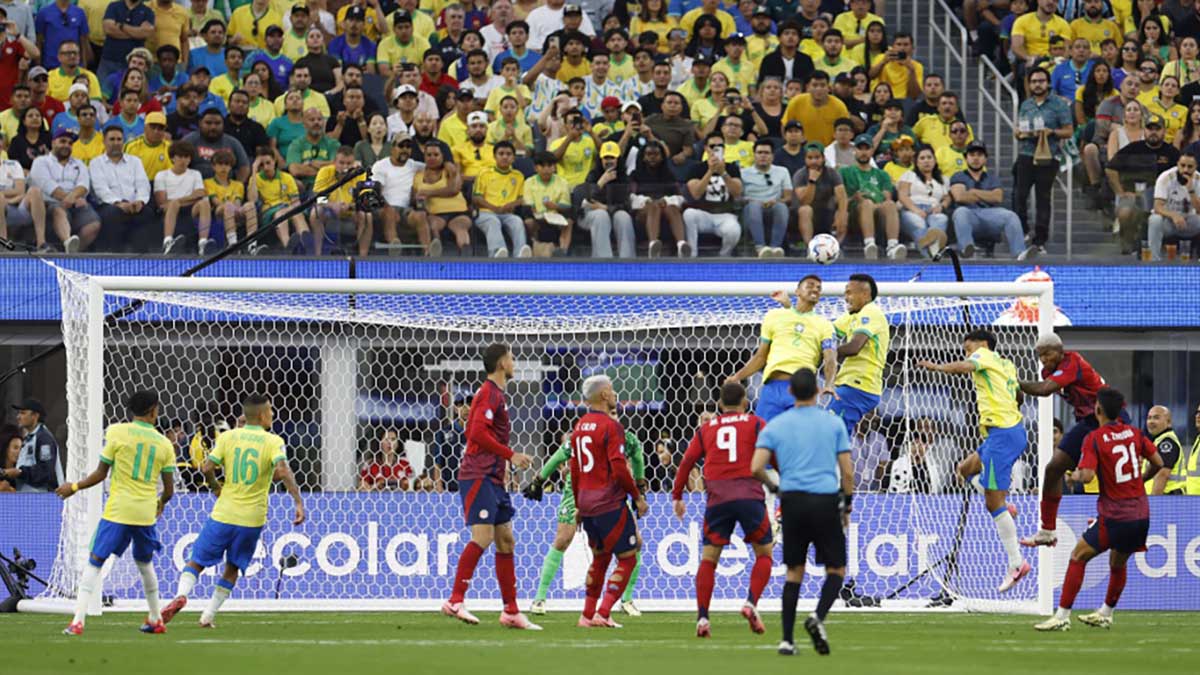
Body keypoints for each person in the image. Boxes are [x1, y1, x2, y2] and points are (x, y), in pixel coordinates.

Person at [161, 394, 305, 629]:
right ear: (261, 415)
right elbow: (283, 470)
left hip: (224, 513)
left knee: (197, 560)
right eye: (270, 411)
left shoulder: (228, 437)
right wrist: (298, 502)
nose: (273, 414)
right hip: (252, 519)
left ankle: (181, 594)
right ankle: (208, 615)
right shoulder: (273, 441)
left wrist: (216, 487)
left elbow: (207, 467)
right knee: (233, 567)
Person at [1034, 387, 1163, 632]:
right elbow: (1158, 462)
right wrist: (1140, 480)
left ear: (1098, 410)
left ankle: (1061, 616)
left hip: (1115, 513)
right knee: (1118, 561)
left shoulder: (1094, 437)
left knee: (1078, 556)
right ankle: (1106, 613)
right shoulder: (1135, 433)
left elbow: (1088, 474)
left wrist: (1074, 476)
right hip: (1141, 513)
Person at [918, 329, 1030, 594]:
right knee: (964, 469)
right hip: (1004, 433)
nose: (966, 350)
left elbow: (964, 367)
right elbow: (1020, 397)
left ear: (982, 344)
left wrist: (936, 366)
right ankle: (1005, 503)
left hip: (1002, 435)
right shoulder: (1007, 364)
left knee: (993, 505)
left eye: (967, 346)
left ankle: (1017, 563)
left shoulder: (984, 355)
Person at [751, 368, 852, 656]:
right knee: (836, 569)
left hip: (793, 501)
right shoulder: (832, 424)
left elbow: (756, 466)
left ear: (791, 393)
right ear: (818, 391)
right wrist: (847, 504)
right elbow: (847, 471)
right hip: (824, 500)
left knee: (794, 572)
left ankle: (786, 640)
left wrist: (775, 488)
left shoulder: (777, 425)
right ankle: (817, 617)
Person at [57, 390, 174, 636]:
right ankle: (156, 619)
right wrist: (161, 502)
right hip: (144, 513)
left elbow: (101, 474)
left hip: (118, 510)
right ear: (154, 411)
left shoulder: (116, 432)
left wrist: (74, 487)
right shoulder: (164, 444)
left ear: (132, 411)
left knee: (95, 561)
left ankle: (78, 621)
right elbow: (169, 489)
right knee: (145, 564)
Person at [441, 343, 537, 629]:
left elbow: (473, 429)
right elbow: (478, 434)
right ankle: (455, 600)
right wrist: (511, 455)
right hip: (478, 475)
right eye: (511, 358)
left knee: (506, 540)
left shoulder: (496, 396)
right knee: (482, 537)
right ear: (501, 364)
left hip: (493, 478)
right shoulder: (488, 393)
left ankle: (510, 611)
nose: (514, 362)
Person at [672, 381, 772, 638]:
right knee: (764, 554)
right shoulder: (757, 423)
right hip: (750, 496)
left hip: (718, 499)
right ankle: (750, 603)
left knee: (709, 559)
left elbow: (686, 462)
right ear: (745, 403)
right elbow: (774, 456)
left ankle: (703, 618)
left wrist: (677, 495)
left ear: (719, 404)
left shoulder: (707, 428)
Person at [523, 417, 647, 617]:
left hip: (612, 492)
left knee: (636, 543)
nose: (613, 416)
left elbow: (638, 459)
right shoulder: (582, 435)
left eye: (615, 412)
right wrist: (539, 480)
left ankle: (626, 599)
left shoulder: (627, 438)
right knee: (564, 539)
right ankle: (539, 598)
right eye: (611, 411)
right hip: (578, 490)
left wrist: (640, 489)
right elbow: (558, 456)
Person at [1018, 334, 1124, 547]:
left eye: (1047, 354)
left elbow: (1045, 389)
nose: (1043, 360)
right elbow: (1045, 389)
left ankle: (1110, 518)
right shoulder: (1048, 371)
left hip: (1111, 418)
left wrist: (1015, 382)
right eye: (1040, 356)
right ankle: (1047, 531)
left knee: (1107, 471)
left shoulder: (1072, 362)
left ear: (1060, 350)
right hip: (1088, 421)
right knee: (1054, 468)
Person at [565, 374, 647, 628]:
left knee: (600, 558)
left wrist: (579, 505)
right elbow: (620, 468)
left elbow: (574, 469)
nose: (615, 394)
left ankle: (587, 616)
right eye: (611, 391)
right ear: (603, 395)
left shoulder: (579, 427)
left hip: (587, 506)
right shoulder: (612, 427)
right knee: (628, 557)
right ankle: (603, 611)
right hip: (609, 503)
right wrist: (637, 497)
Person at [726, 275, 837, 421]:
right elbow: (761, 356)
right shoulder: (774, 316)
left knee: (799, 439)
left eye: (819, 288)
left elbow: (830, 357)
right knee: (764, 437)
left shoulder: (825, 325)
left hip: (802, 389)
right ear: (797, 291)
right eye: (810, 285)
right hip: (772, 388)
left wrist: (829, 384)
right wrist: (737, 377)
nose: (815, 289)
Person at [1014, 66, 1075, 256]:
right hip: (1026, 152)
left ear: (1047, 83)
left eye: (1041, 81)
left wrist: (1052, 132)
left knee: (1043, 198)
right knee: (1018, 194)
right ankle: (1022, 231)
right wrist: (1019, 133)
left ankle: (1040, 240)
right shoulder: (1026, 104)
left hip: (1049, 155)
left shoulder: (1058, 104)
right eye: (1033, 81)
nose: (1037, 85)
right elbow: (1020, 127)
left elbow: (1069, 130)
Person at [949, 141, 1029, 258]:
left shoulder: (992, 178)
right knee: (960, 212)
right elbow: (960, 196)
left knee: (1010, 216)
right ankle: (966, 250)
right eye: (972, 155)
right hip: (969, 214)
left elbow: (998, 197)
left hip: (990, 216)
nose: (976, 158)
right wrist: (987, 195)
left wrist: (973, 192)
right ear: (966, 158)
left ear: (985, 159)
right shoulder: (958, 176)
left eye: (980, 155)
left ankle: (1019, 253)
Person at [30, 128, 101, 253]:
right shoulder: (41, 161)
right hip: (52, 203)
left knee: (94, 225)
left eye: (69, 143)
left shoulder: (79, 164)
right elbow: (48, 186)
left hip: (77, 203)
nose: (66, 146)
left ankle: (72, 252)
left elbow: (84, 185)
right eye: (62, 141)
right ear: (53, 143)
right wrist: (70, 198)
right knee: (58, 210)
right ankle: (67, 241)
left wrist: (72, 198)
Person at [371, 134, 441, 256]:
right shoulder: (380, 165)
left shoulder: (414, 165)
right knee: (390, 212)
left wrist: (449, 166)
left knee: (420, 215)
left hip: (405, 210)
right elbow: (376, 192)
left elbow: (435, 167)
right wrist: (387, 207)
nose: (405, 149)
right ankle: (394, 248)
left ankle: (428, 252)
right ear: (392, 148)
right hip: (383, 207)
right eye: (401, 146)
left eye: (408, 146)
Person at [90, 124, 155, 252]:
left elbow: (142, 184)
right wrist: (119, 203)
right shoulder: (96, 162)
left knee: (146, 212)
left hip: (134, 204)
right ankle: (115, 254)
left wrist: (140, 201)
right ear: (104, 141)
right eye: (112, 139)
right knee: (114, 214)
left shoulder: (135, 161)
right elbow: (101, 189)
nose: (116, 143)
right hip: (110, 206)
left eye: (119, 139)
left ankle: (142, 257)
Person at [840, 133, 905, 260]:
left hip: (878, 211)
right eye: (860, 148)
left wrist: (875, 204)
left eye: (867, 148)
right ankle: (869, 245)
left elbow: (886, 197)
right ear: (854, 150)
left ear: (872, 150)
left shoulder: (882, 174)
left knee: (890, 204)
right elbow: (840, 199)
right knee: (866, 204)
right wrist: (855, 197)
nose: (863, 152)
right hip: (854, 213)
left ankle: (892, 247)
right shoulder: (844, 172)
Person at [683, 133, 743, 257]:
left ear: (724, 148)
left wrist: (723, 173)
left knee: (734, 231)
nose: (716, 148)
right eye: (712, 146)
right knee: (688, 214)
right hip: (703, 214)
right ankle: (692, 255)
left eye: (720, 146)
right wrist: (710, 171)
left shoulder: (732, 168)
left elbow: (737, 193)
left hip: (725, 215)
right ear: (706, 148)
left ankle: (724, 256)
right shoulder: (696, 168)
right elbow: (696, 194)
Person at [575, 140, 636, 258]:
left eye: (612, 158)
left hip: (612, 211)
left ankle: (627, 261)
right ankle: (603, 261)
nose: (609, 161)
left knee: (623, 216)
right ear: (600, 160)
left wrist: (607, 208)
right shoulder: (593, 174)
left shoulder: (624, 178)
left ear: (618, 159)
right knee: (601, 215)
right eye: (605, 158)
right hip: (589, 214)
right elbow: (586, 201)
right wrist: (600, 183)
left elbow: (627, 205)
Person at [249, 147, 313, 253]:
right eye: (261, 165)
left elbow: (296, 202)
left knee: (297, 214)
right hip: (270, 213)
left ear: (274, 161)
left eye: (268, 163)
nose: (265, 167)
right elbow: (252, 199)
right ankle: (288, 246)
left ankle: (305, 244)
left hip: (289, 208)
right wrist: (254, 170)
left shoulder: (287, 178)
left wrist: (290, 209)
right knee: (280, 215)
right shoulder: (256, 179)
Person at [153, 140, 212, 254]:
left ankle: (203, 243)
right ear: (172, 158)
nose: (183, 160)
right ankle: (168, 242)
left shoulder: (195, 174)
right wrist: (188, 198)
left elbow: (200, 195)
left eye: (186, 157)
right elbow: (162, 203)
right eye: (180, 156)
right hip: (170, 209)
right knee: (174, 204)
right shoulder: (161, 175)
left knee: (204, 204)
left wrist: (181, 200)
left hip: (191, 209)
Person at [311, 146, 370, 256]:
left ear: (354, 163)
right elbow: (316, 198)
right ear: (334, 162)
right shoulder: (325, 172)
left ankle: (363, 256)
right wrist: (332, 205)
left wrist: (351, 206)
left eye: (349, 164)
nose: (345, 167)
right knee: (316, 212)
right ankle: (317, 254)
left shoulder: (360, 174)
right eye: (341, 163)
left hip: (351, 211)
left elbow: (365, 200)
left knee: (367, 215)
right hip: (329, 211)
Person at [473, 140, 528, 257]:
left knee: (517, 221)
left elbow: (522, 199)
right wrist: (494, 208)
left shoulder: (518, 176)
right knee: (493, 221)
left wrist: (510, 205)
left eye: (508, 154)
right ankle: (497, 253)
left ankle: (520, 255)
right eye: (501, 154)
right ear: (494, 156)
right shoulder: (484, 173)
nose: (505, 157)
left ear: (513, 157)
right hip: (485, 213)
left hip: (508, 213)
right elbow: (476, 198)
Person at [897, 147, 952, 257]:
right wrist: (916, 210)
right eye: (922, 158)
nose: (926, 161)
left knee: (942, 219)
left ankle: (933, 247)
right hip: (912, 209)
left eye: (929, 157)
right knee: (919, 224)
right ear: (916, 162)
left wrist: (941, 206)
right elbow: (902, 196)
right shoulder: (909, 175)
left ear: (935, 161)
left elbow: (947, 198)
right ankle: (931, 255)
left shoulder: (943, 179)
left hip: (934, 210)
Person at [741, 139, 792, 257]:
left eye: (766, 153)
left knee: (781, 207)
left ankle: (775, 248)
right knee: (754, 206)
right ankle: (761, 247)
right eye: (759, 153)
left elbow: (788, 197)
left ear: (772, 156)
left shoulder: (782, 171)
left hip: (774, 205)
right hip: (752, 207)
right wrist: (751, 201)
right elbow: (738, 197)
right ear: (754, 155)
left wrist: (777, 201)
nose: (763, 156)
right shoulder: (744, 173)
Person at [1147, 152, 1200, 259]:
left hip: (1188, 222)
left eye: (1190, 167)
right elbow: (1157, 207)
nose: (1185, 170)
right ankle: (1154, 261)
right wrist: (1174, 215)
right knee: (1155, 219)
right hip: (1168, 223)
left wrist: (1191, 191)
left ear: (1195, 167)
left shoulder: (1198, 179)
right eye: (1182, 165)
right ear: (1177, 164)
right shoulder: (1166, 177)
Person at [0, 135, 49, 252]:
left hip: (15, 206)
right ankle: (3, 243)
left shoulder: (13, 165)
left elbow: (20, 191)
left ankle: (41, 243)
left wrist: (7, 200)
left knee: (35, 191)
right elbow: (15, 191)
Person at [206, 149, 259, 252]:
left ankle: (252, 245)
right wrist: (230, 207)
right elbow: (215, 201)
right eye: (220, 164)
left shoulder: (238, 185)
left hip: (235, 211)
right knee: (228, 205)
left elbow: (238, 202)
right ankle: (233, 244)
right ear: (213, 166)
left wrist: (237, 210)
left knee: (250, 205)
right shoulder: (208, 183)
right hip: (219, 212)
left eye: (227, 164)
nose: (223, 167)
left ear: (231, 167)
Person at [6, 398, 61, 492]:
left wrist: (20, 473)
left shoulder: (44, 439)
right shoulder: (29, 438)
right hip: (30, 498)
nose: (18, 417)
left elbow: (46, 472)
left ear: (35, 416)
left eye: (23, 413)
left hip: (43, 499)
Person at [782, 71, 849, 146]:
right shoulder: (796, 102)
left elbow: (846, 132)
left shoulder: (839, 107)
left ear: (829, 88)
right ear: (808, 87)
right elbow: (785, 126)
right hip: (801, 150)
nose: (818, 89)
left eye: (823, 85)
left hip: (829, 152)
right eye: (815, 85)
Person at [1144, 405, 1186, 495]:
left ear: (1168, 422)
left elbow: (1162, 475)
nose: (1151, 421)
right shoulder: (1158, 441)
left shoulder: (1167, 443)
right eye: (1149, 418)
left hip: (1167, 500)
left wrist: (1155, 503)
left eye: (1156, 418)